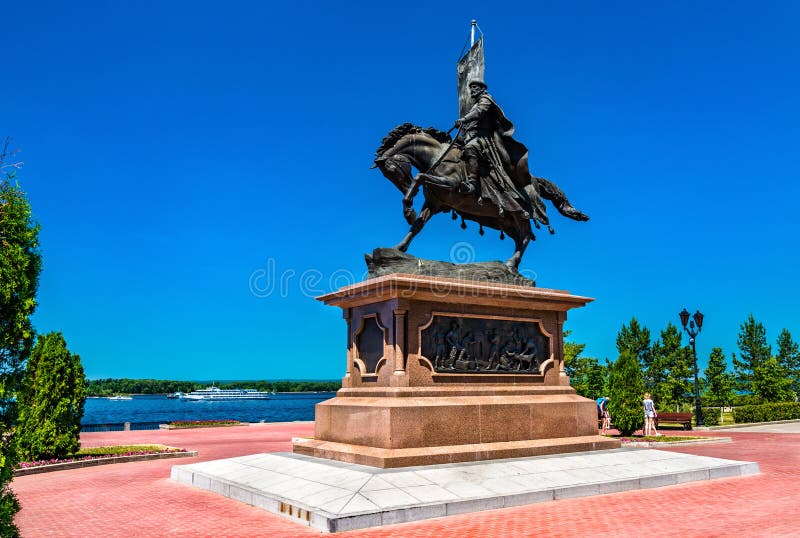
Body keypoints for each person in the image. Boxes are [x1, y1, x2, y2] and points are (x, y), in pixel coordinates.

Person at [453, 79, 530, 218]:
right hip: (470, 135)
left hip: (483, 138)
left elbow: (479, 113)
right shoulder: (475, 104)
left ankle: (471, 185)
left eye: (475, 88)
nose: (472, 91)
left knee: (471, 148)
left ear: (482, 89)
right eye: (471, 88)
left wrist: (464, 119)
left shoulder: (486, 99)